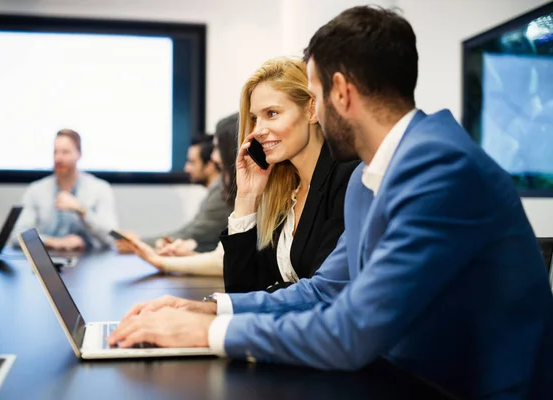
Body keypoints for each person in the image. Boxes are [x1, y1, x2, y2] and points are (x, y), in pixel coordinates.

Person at [108, 6, 553, 399]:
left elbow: (354, 330)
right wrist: (211, 308)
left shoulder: (441, 169)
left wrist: (209, 332)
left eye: (315, 95)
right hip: (400, 375)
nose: (315, 109)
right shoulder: (368, 175)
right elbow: (325, 290)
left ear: (340, 92)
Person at [219, 57, 359, 292]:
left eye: (272, 113)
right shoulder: (284, 189)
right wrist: (247, 198)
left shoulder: (347, 177)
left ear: (312, 110)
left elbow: (326, 290)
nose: (258, 130)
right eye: (255, 118)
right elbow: (242, 291)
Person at [124, 113, 239, 276]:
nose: (213, 157)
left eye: (217, 149)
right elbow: (221, 258)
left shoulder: (226, 192)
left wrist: (144, 246)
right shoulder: (228, 190)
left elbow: (197, 237)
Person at [120, 133, 233, 254]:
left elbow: (194, 234)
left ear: (210, 165)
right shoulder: (215, 192)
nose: (186, 168)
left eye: (192, 162)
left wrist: (138, 243)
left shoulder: (221, 193)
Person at [11, 129, 118, 251]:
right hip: (46, 262)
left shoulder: (100, 189)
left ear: (79, 154)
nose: (58, 158)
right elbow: (18, 235)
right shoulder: (36, 190)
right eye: (55, 152)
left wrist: (82, 210)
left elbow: (111, 237)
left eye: (65, 152)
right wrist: (55, 242)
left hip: (89, 262)